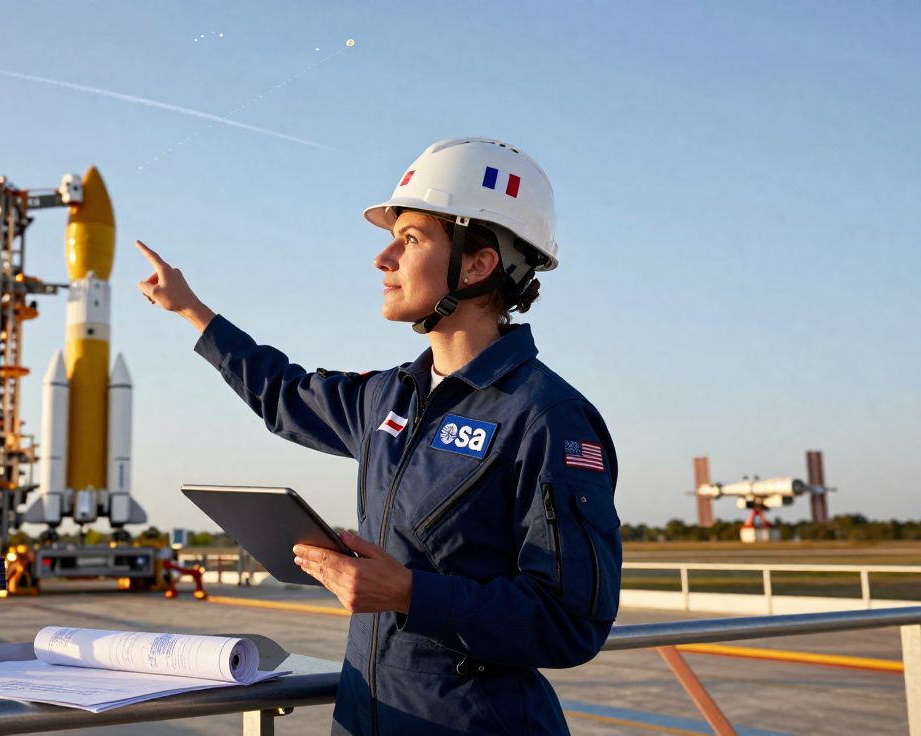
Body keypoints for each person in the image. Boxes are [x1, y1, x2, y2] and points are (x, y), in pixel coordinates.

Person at [137, 137, 621, 735]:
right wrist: (193, 311)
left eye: (411, 238)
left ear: (477, 263)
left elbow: (571, 621)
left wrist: (411, 594)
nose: (382, 258)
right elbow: (284, 394)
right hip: (365, 716)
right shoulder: (387, 397)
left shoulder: (548, 417)